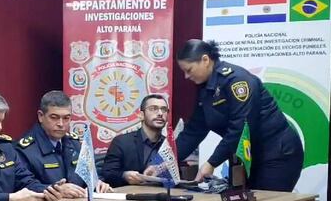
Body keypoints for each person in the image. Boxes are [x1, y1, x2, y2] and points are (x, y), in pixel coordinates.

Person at [175, 39, 303, 191]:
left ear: (205, 60)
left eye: (189, 70)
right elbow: (193, 131)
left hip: (277, 154)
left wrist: (211, 163)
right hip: (250, 156)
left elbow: (241, 128)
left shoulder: (237, 81)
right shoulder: (205, 88)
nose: (186, 76)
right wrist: (162, 164)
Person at [17, 90, 112, 197]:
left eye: (66, 118)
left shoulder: (74, 143)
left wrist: (97, 183)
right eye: (54, 117)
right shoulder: (24, 150)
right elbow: (24, 185)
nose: (61, 124)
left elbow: (89, 175)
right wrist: (57, 190)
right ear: (40, 116)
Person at [101, 94, 169, 187]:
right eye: (153, 108)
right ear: (141, 115)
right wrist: (124, 176)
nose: (160, 113)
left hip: (162, 196)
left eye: (164, 109)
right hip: (130, 197)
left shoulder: (169, 145)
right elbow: (107, 173)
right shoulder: (122, 142)